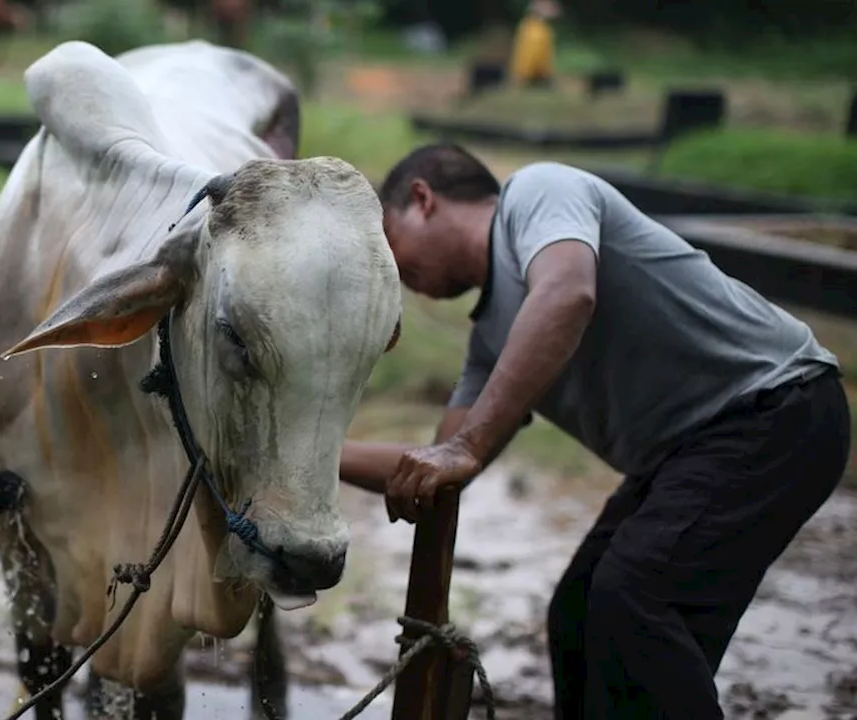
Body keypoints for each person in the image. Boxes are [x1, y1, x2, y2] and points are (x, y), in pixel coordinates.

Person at [339, 143, 850, 718]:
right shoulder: (491, 342)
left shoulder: (537, 194)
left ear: (421, 199)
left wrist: (466, 445)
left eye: (387, 242)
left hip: (777, 408)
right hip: (688, 453)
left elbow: (568, 292)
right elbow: (431, 463)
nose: (395, 273)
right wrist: (306, 456)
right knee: (579, 614)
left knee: (635, 598)